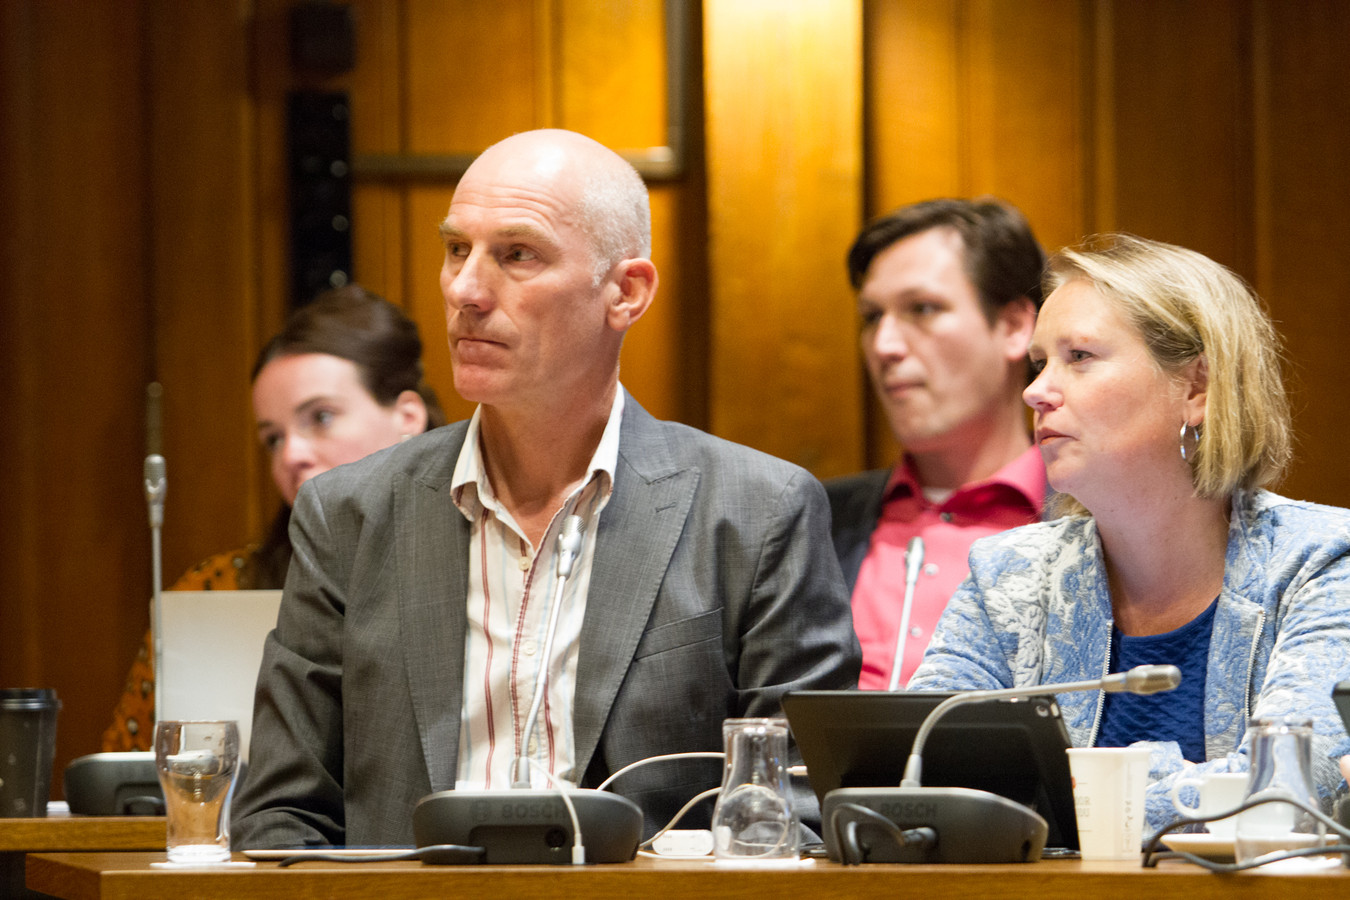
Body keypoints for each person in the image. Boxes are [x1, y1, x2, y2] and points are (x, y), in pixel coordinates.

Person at [230, 129, 861, 848]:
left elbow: (802, 818)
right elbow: (280, 816)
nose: (465, 290)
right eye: (456, 249)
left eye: (516, 254)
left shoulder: (756, 512)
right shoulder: (348, 513)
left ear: (626, 292)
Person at [908, 234, 1350, 833]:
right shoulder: (1008, 575)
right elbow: (916, 774)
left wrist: (1063, 795)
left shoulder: (1322, 563)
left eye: (1080, 357)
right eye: (1040, 362)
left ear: (1197, 388)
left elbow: (1286, 793)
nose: (1035, 390)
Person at [101, 285, 446, 751]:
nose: (292, 454)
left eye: (320, 417)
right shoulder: (218, 589)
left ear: (408, 417)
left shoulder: (483, 565)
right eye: (273, 438)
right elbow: (124, 785)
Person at [826, 199, 1047, 689]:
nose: (884, 345)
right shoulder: (813, 519)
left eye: (922, 309)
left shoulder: (1097, 520)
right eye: (870, 316)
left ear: (1014, 326)